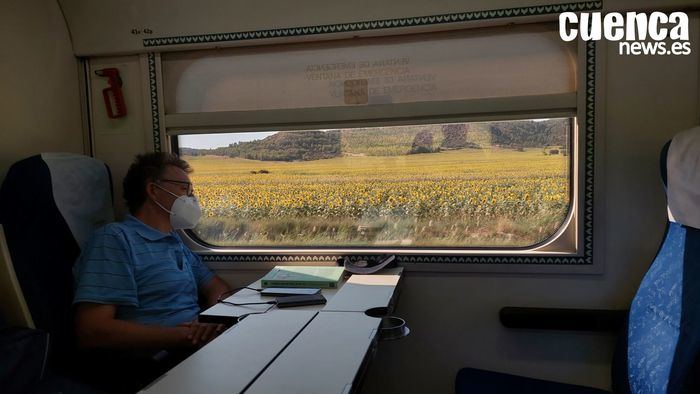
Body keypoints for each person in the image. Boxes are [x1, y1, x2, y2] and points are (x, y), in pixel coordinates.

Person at [72, 152, 231, 391]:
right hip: (153, 363)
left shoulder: (174, 242)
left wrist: (216, 317)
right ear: (154, 191)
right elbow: (93, 330)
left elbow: (214, 285)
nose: (192, 198)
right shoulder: (115, 239)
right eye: (184, 189)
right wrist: (187, 335)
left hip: (192, 347)